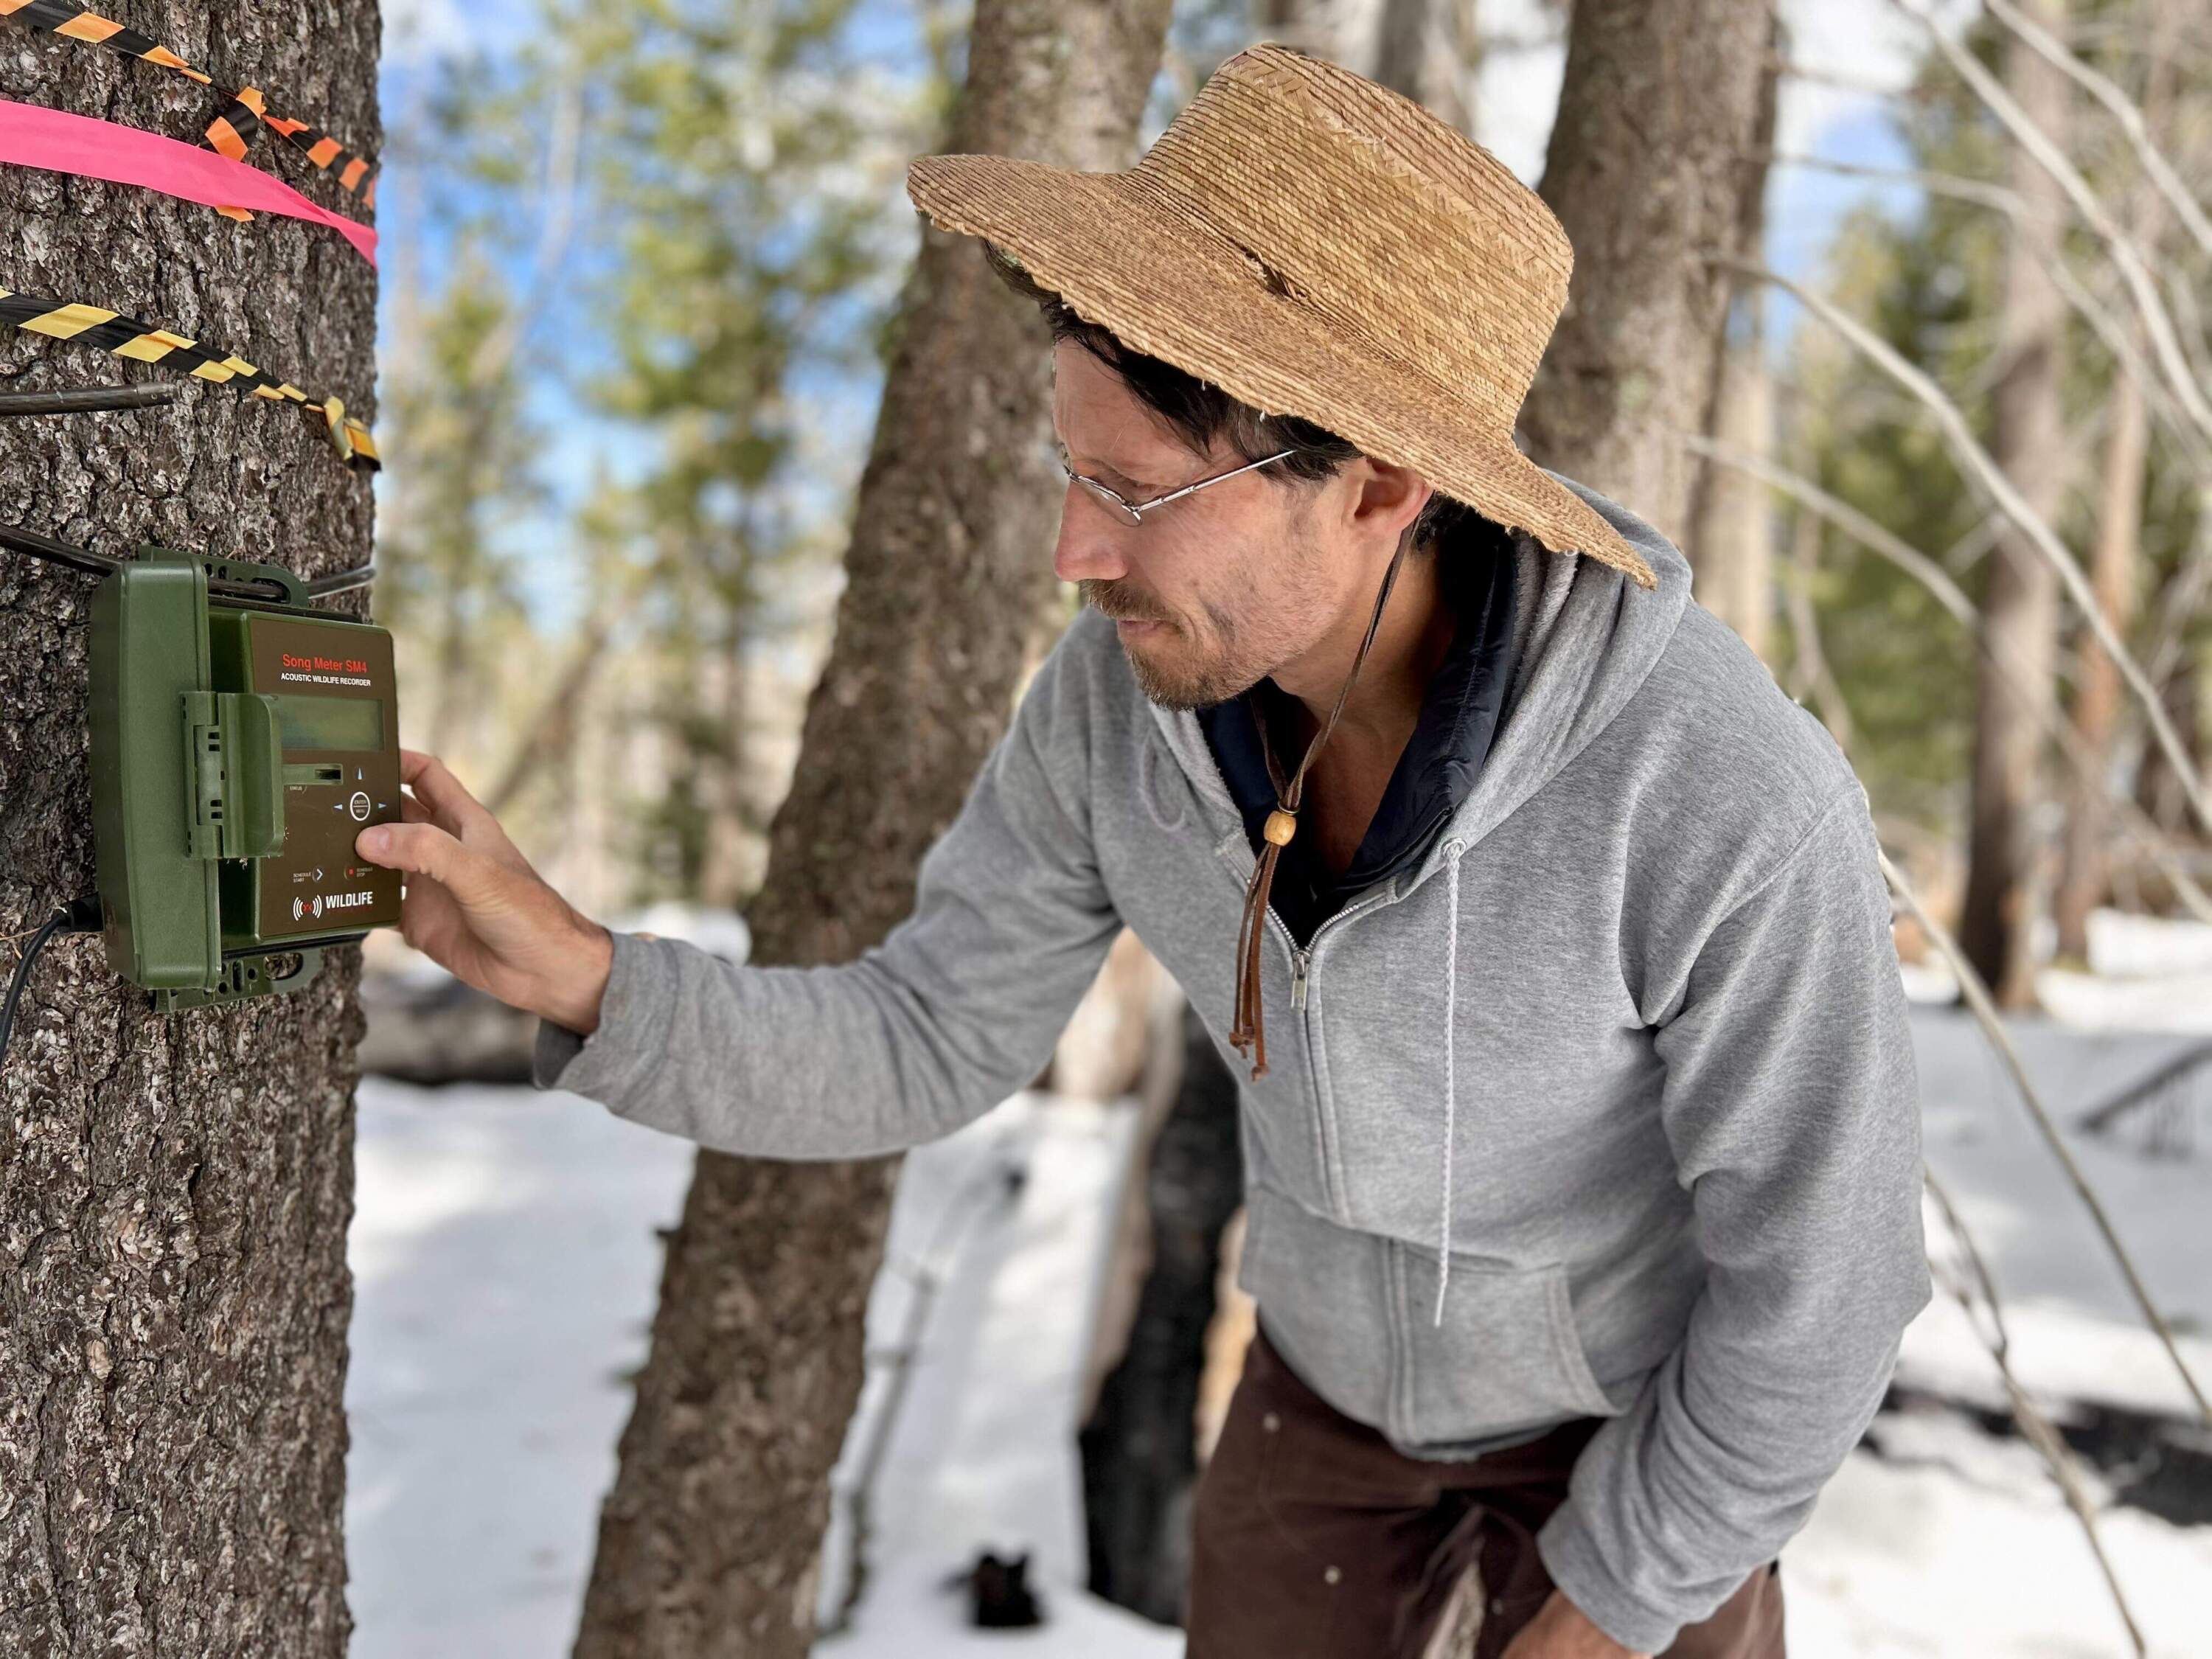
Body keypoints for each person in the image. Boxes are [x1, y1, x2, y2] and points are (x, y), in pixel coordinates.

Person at [356, 41, 1929, 1659]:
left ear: (1381, 480)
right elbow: (926, 1035)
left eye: (1136, 489)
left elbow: (1828, 1285)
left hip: (1650, 1441)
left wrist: (1609, 1608)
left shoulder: (1716, 791)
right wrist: (591, 980)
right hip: (1319, 1414)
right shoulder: (1116, 711)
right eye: (1068, 467)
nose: (1071, 552)